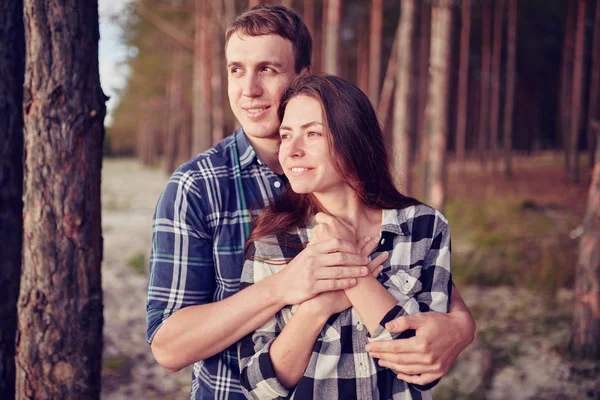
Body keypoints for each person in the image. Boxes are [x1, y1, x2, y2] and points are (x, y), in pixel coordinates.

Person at [146, 5, 475, 400]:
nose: (248, 89)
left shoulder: (382, 204)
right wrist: (293, 285)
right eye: (236, 69)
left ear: (303, 78)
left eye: (267, 69)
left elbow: (432, 292)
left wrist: (461, 327)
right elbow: (167, 347)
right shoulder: (198, 186)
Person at [238, 74, 452, 400]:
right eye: (285, 136)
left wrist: (348, 265)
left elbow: (421, 369)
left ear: (354, 139)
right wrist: (316, 308)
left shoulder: (423, 227)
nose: (292, 150)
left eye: (312, 134)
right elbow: (259, 388)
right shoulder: (273, 241)